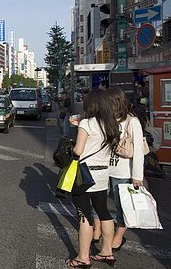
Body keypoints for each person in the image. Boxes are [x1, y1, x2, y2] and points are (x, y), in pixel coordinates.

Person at [65, 89, 120, 268]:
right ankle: (107, 252)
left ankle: (83, 257)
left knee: (84, 215)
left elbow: (78, 151)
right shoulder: (111, 124)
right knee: (103, 212)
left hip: (85, 174)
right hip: (103, 173)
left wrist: (72, 142)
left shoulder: (87, 124)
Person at [91, 87, 145, 252]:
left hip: (123, 173)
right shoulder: (105, 119)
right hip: (103, 169)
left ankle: (119, 235)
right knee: (97, 202)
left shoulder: (131, 121)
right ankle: (97, 229)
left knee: (123, 206)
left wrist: (137, 176)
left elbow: (138, 152)